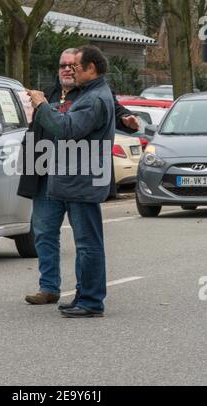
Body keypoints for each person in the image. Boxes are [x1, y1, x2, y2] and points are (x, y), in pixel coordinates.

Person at [18, 47, 139, 316]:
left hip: (80, 179)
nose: (70, 70)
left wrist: (40, 105)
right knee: (50, 233)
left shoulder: (92, 97)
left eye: (76, 66)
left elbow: (67, 129)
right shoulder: (83, 92)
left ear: (91, 68)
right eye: (64, 65)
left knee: (87, 243)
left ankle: (91, 300)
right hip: (55, 173)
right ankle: (75, 293)